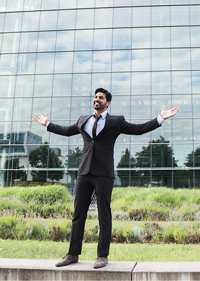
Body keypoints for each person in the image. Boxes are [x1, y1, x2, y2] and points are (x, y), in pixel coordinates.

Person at [34, 88, 179, 269]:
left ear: (107, 102)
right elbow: (66, 130)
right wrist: (47, 124)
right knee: (78, 215)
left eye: (101, 98)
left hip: (104, 174)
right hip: (84, 174)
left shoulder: (116, 121)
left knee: (104, 215)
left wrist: (160, 118)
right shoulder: (83, 120)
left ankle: (102, 256)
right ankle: (72, 254)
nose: (97, 99)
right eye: (95, 97)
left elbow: (138, 129)